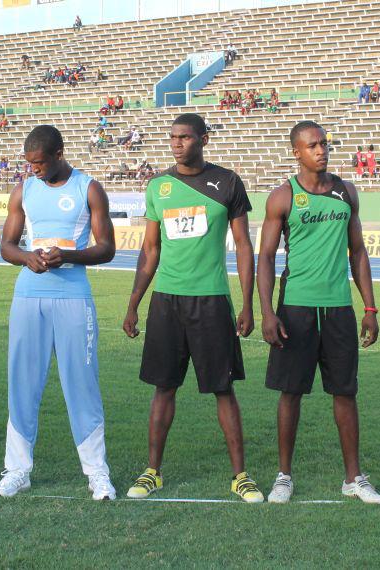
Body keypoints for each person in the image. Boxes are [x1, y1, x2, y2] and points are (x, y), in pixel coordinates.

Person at [122, 113, 263, 503]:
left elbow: (244, 246)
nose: (177, 143)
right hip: (166, 300)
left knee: (223, 389)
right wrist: (133, 304)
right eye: (172, 137)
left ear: (203, 139)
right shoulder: (159, 186)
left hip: (212, 300)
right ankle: (152, 472)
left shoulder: (228, 182)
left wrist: (247, 304)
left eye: (184, 137)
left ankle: (241, 476)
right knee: (163, 388)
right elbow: (151, 249)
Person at [258, 121, 380, 504]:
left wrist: (370, 307)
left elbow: (357, 251)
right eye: (312, 145)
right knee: (290, 393)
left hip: (339, 309)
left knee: (345, 392)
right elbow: (265, 257)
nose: (321, 150)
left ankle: (354, 478)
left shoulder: (347, 192)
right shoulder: (282, 196)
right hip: (295, 308)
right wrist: (267, 312)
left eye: (324, 144)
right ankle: (283, 477)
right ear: (296, 152)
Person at [0, 126, 117, 500]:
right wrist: (25, 257)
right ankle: (17, 470)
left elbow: (107, 248)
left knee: (81, 384)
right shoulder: (23, 191)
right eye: (29, 163)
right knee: (22, 383)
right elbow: (6, 246)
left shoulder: (88, 188)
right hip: (28, 297)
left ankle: (97, 474)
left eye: (40, 163)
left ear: (59, 154)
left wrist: (70, 256)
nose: (34, 169)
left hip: (73, 298)